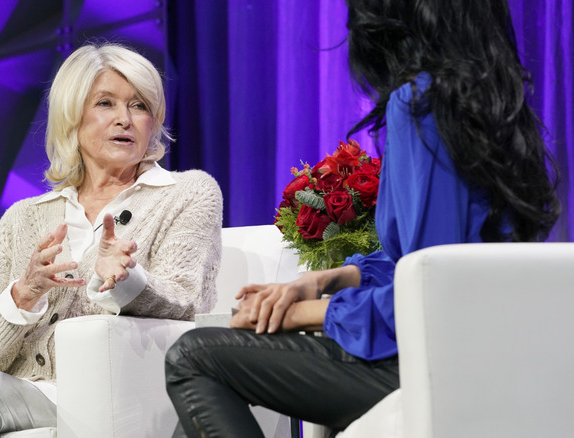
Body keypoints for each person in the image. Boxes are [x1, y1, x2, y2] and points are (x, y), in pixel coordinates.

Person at [164, 0, 561, 436]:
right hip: (492, 353)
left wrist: (298, 314)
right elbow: (430, 262)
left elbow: (428, 294)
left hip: (432, 367)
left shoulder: (421, 104)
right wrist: (324, 280)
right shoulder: (495, 110)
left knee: (192, 357)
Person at [0, 43, 223, 437]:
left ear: (154, 121)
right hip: (14, 388)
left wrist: (127, 280)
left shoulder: (187, 193)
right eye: (105, 103)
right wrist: (24, 294)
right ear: (73, 116)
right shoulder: (24, 217)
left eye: (139, 106)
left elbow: (188, 301)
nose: (124, 119)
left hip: (106, 391)